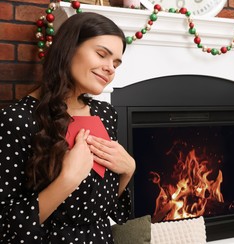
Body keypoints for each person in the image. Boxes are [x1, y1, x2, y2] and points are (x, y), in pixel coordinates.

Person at [0, 12, 136, 243]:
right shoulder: (16, 120)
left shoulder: (105, 114)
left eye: (115, 63)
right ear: (69, 49)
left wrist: (128, 170)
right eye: (102, 54)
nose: (110, 68)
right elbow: (6, 228)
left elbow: (106, 206)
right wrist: (68, 179)